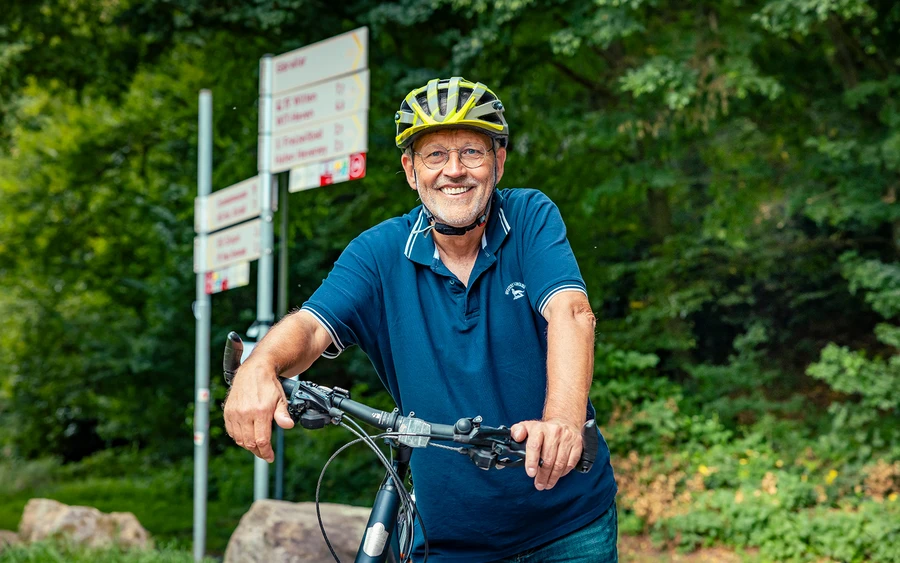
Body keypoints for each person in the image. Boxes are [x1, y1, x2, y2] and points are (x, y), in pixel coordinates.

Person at [224, 77, 618, 562]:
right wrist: (259, 366)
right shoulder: (378, 253)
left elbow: (571, 312)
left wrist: (561, 422)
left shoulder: (530, 217)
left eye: (472, 152)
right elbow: (310, 326)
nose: (454, 171)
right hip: (450, 539)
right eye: (435, 156)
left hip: (567, 524)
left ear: (498, 161)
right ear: (411, 171)